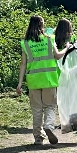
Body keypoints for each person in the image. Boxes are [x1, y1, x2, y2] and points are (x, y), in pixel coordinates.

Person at [16, 16, 69, 144]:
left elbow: (23, 64)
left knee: (37, 109)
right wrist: (67, 48)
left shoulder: (25, 43)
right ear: (41, 25)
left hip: (33, 80)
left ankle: (38, 137)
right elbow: (57, 56)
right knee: (50, 106)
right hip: (49, 78)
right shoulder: (49, 39)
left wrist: (19, 84)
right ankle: (49, 126)